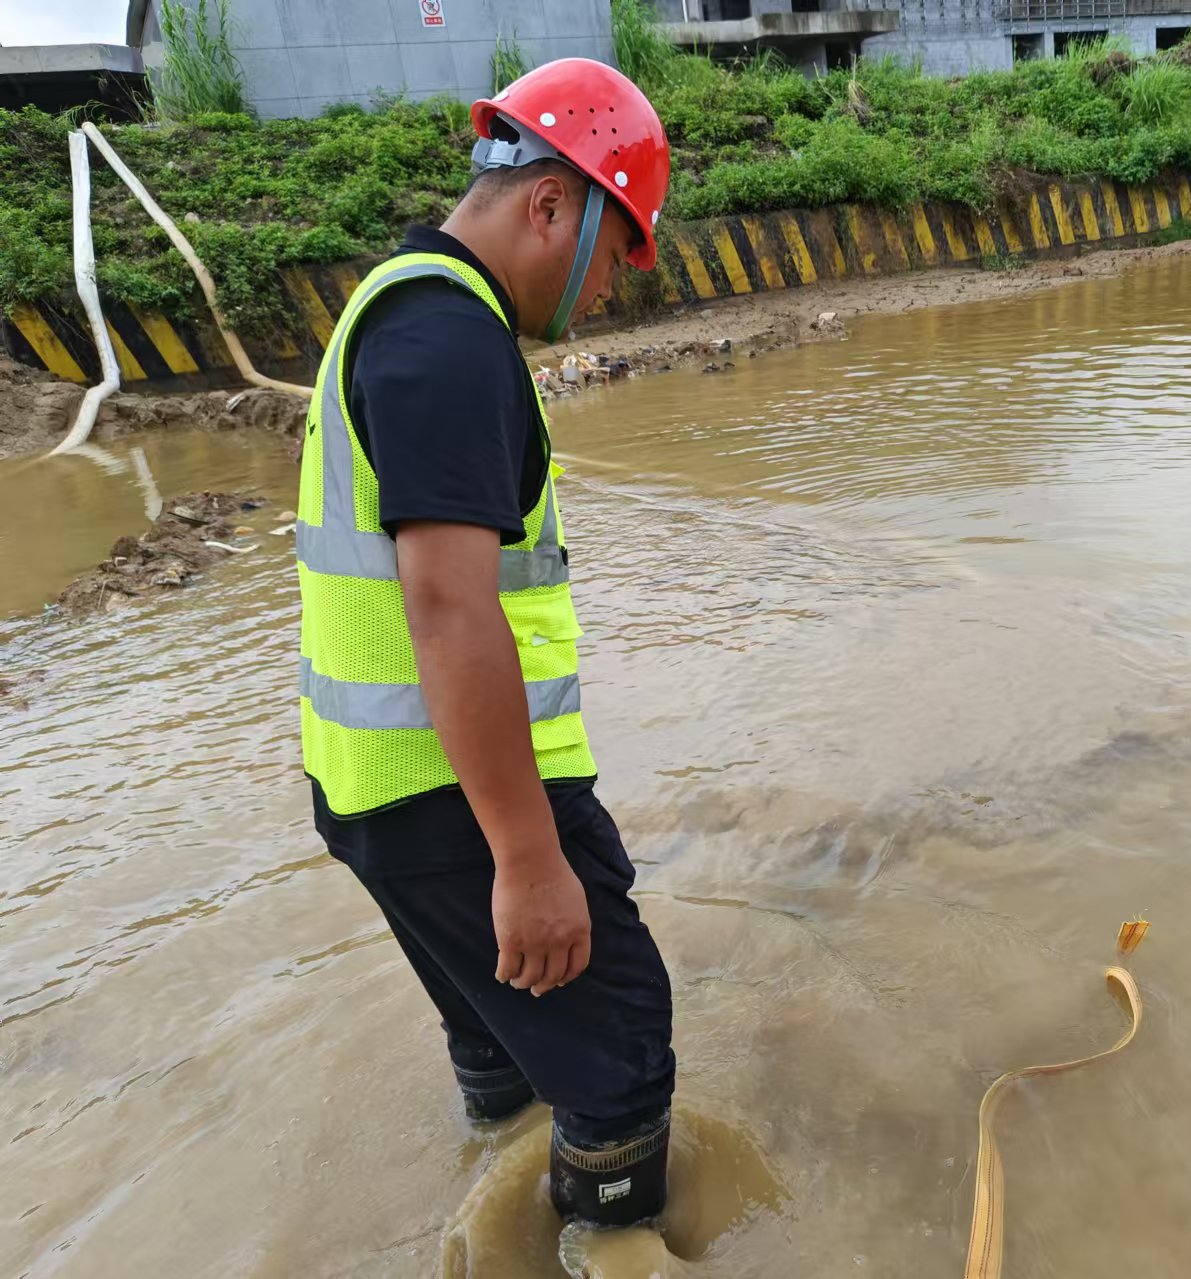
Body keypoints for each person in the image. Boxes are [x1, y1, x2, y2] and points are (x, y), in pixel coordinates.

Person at [293, 59, 676, 1229]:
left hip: (378, 791)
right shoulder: (450, 338)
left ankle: (492, 1194)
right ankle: (606, 1245)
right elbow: (450, 609)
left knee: (499, 1030)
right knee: (618, 1051)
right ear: (552, 203)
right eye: (618, 249)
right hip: (454, 802)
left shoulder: (393, 309)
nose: (612, 287)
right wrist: (525, 858)